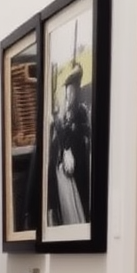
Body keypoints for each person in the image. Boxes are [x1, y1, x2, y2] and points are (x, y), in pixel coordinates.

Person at [47, 63, 92, 226]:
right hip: (69, 163)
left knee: (82, 192)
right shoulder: (64, 115)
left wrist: (76, 129)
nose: (70, 94)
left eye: (73, 89)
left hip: (79, 159)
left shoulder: (81, 111)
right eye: (68, 90)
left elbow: (86, 133)